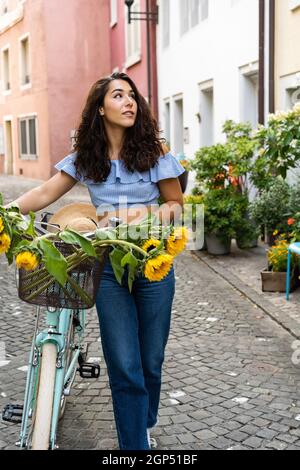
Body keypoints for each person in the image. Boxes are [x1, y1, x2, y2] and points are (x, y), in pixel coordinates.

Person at [7, 72, 185, 450]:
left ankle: (143, 418)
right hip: (107, 271)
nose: (129, 101)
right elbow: (43, 192)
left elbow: (175, 204)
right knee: (124, 364)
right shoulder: (87, 159)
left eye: (132, 95)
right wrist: (5, 211)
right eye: (118, 95)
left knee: (150, 360)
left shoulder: (154, 153)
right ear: (100, 108)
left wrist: (148, 216)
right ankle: (135, 445)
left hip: (154, 262)